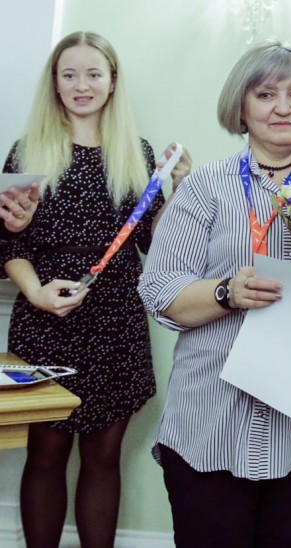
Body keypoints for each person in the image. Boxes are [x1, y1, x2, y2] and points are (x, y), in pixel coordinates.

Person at [139, 38, 291, 548]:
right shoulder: (205, 188)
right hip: (210, 420)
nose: (283, 108)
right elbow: (160, 290)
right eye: (266, 95)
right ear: (241, 109)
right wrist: (227, 291)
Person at [1, 31, 190, 548]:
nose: (81, 85)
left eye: (92, 74)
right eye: (69, 75)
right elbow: (8, 245)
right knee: (45, 455)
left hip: (116, 321)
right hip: (45, 320)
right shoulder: (28, 152)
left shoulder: (138, 153)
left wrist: (177, 190)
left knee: (104, 458)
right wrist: (36, 292)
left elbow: (155, 244)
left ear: (112, 82)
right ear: (55, 83)